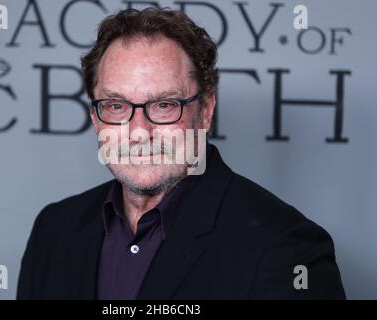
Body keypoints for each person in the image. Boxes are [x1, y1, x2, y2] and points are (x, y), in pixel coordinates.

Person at [17, 7, 345, 299]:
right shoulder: (54, 229)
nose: (139, 132)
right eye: (116, 106)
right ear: (95, 117)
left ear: (206, 110)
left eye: (164, 105)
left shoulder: (287, 249)